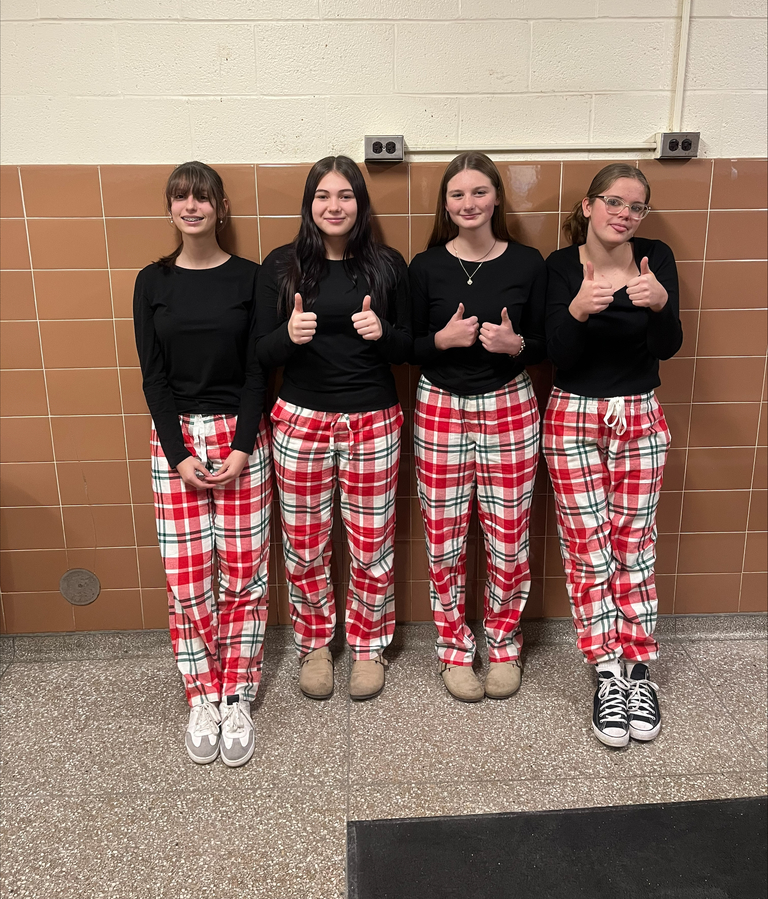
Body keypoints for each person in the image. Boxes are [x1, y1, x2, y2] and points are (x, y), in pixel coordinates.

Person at [255, 155, 411, 701]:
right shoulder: (281, 266)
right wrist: (288, 335)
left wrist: (383, 332)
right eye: (323, 195)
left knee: (372, 542)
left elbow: (410, 348)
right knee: (305, 542)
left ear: (360, 204)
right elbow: (259, 352)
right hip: (300, 420)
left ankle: (368, 646)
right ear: (309, 203)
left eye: (345, 195)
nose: (334, 205)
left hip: (373, 419)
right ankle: (315, 645)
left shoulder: (386, 265)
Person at [133, 162, 270, 767]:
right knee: (187, 579)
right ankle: (201, 696)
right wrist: (178, 453)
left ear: (221, 207)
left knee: (244, 574)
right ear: (170, 208)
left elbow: (258, 370)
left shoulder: (250, 277)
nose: (191, 207)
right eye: (181, 198)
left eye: (202, 198)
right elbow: (153, 377)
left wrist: (242, 446)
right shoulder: (151, 281)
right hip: (178, 440)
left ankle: (236, 693)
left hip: (242, 435)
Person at [542, 163, 682, 748]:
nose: (624, 214)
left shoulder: (656, 258)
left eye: (635, 206)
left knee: (635, 544)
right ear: (589, 205)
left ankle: (639, 669)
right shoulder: (559, 266)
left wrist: (661, 303)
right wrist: (577, 309)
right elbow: (557, 354)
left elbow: (668, 347)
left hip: (639, 414)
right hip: (573, 415)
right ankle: (606, 672)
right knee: (588, 548)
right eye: (613, 202)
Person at [409, 152, 546, 702]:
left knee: (508, 536)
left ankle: (505, 645)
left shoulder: (528, 263)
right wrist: (440, 341)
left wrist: (517, 345)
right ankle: (452, 648)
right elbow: (406, 345)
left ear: (496, 198)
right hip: (440, 404)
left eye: (479, 192)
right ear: (445, 204)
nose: (469, 204)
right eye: (457, 195)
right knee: (443, 536)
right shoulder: (425, 266)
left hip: (509, 404)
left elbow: (549, 344)